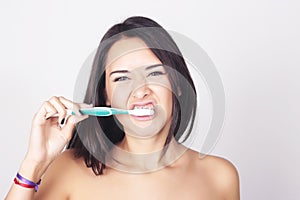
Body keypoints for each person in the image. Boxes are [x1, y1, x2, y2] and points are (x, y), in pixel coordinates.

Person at [5, 16, 240, 200]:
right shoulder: (69, 169)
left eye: (155, 73)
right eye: (121, 79)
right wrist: (34, 163)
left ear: (177, 84)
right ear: (106, 96)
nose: (140, 91)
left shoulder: (220, 176)